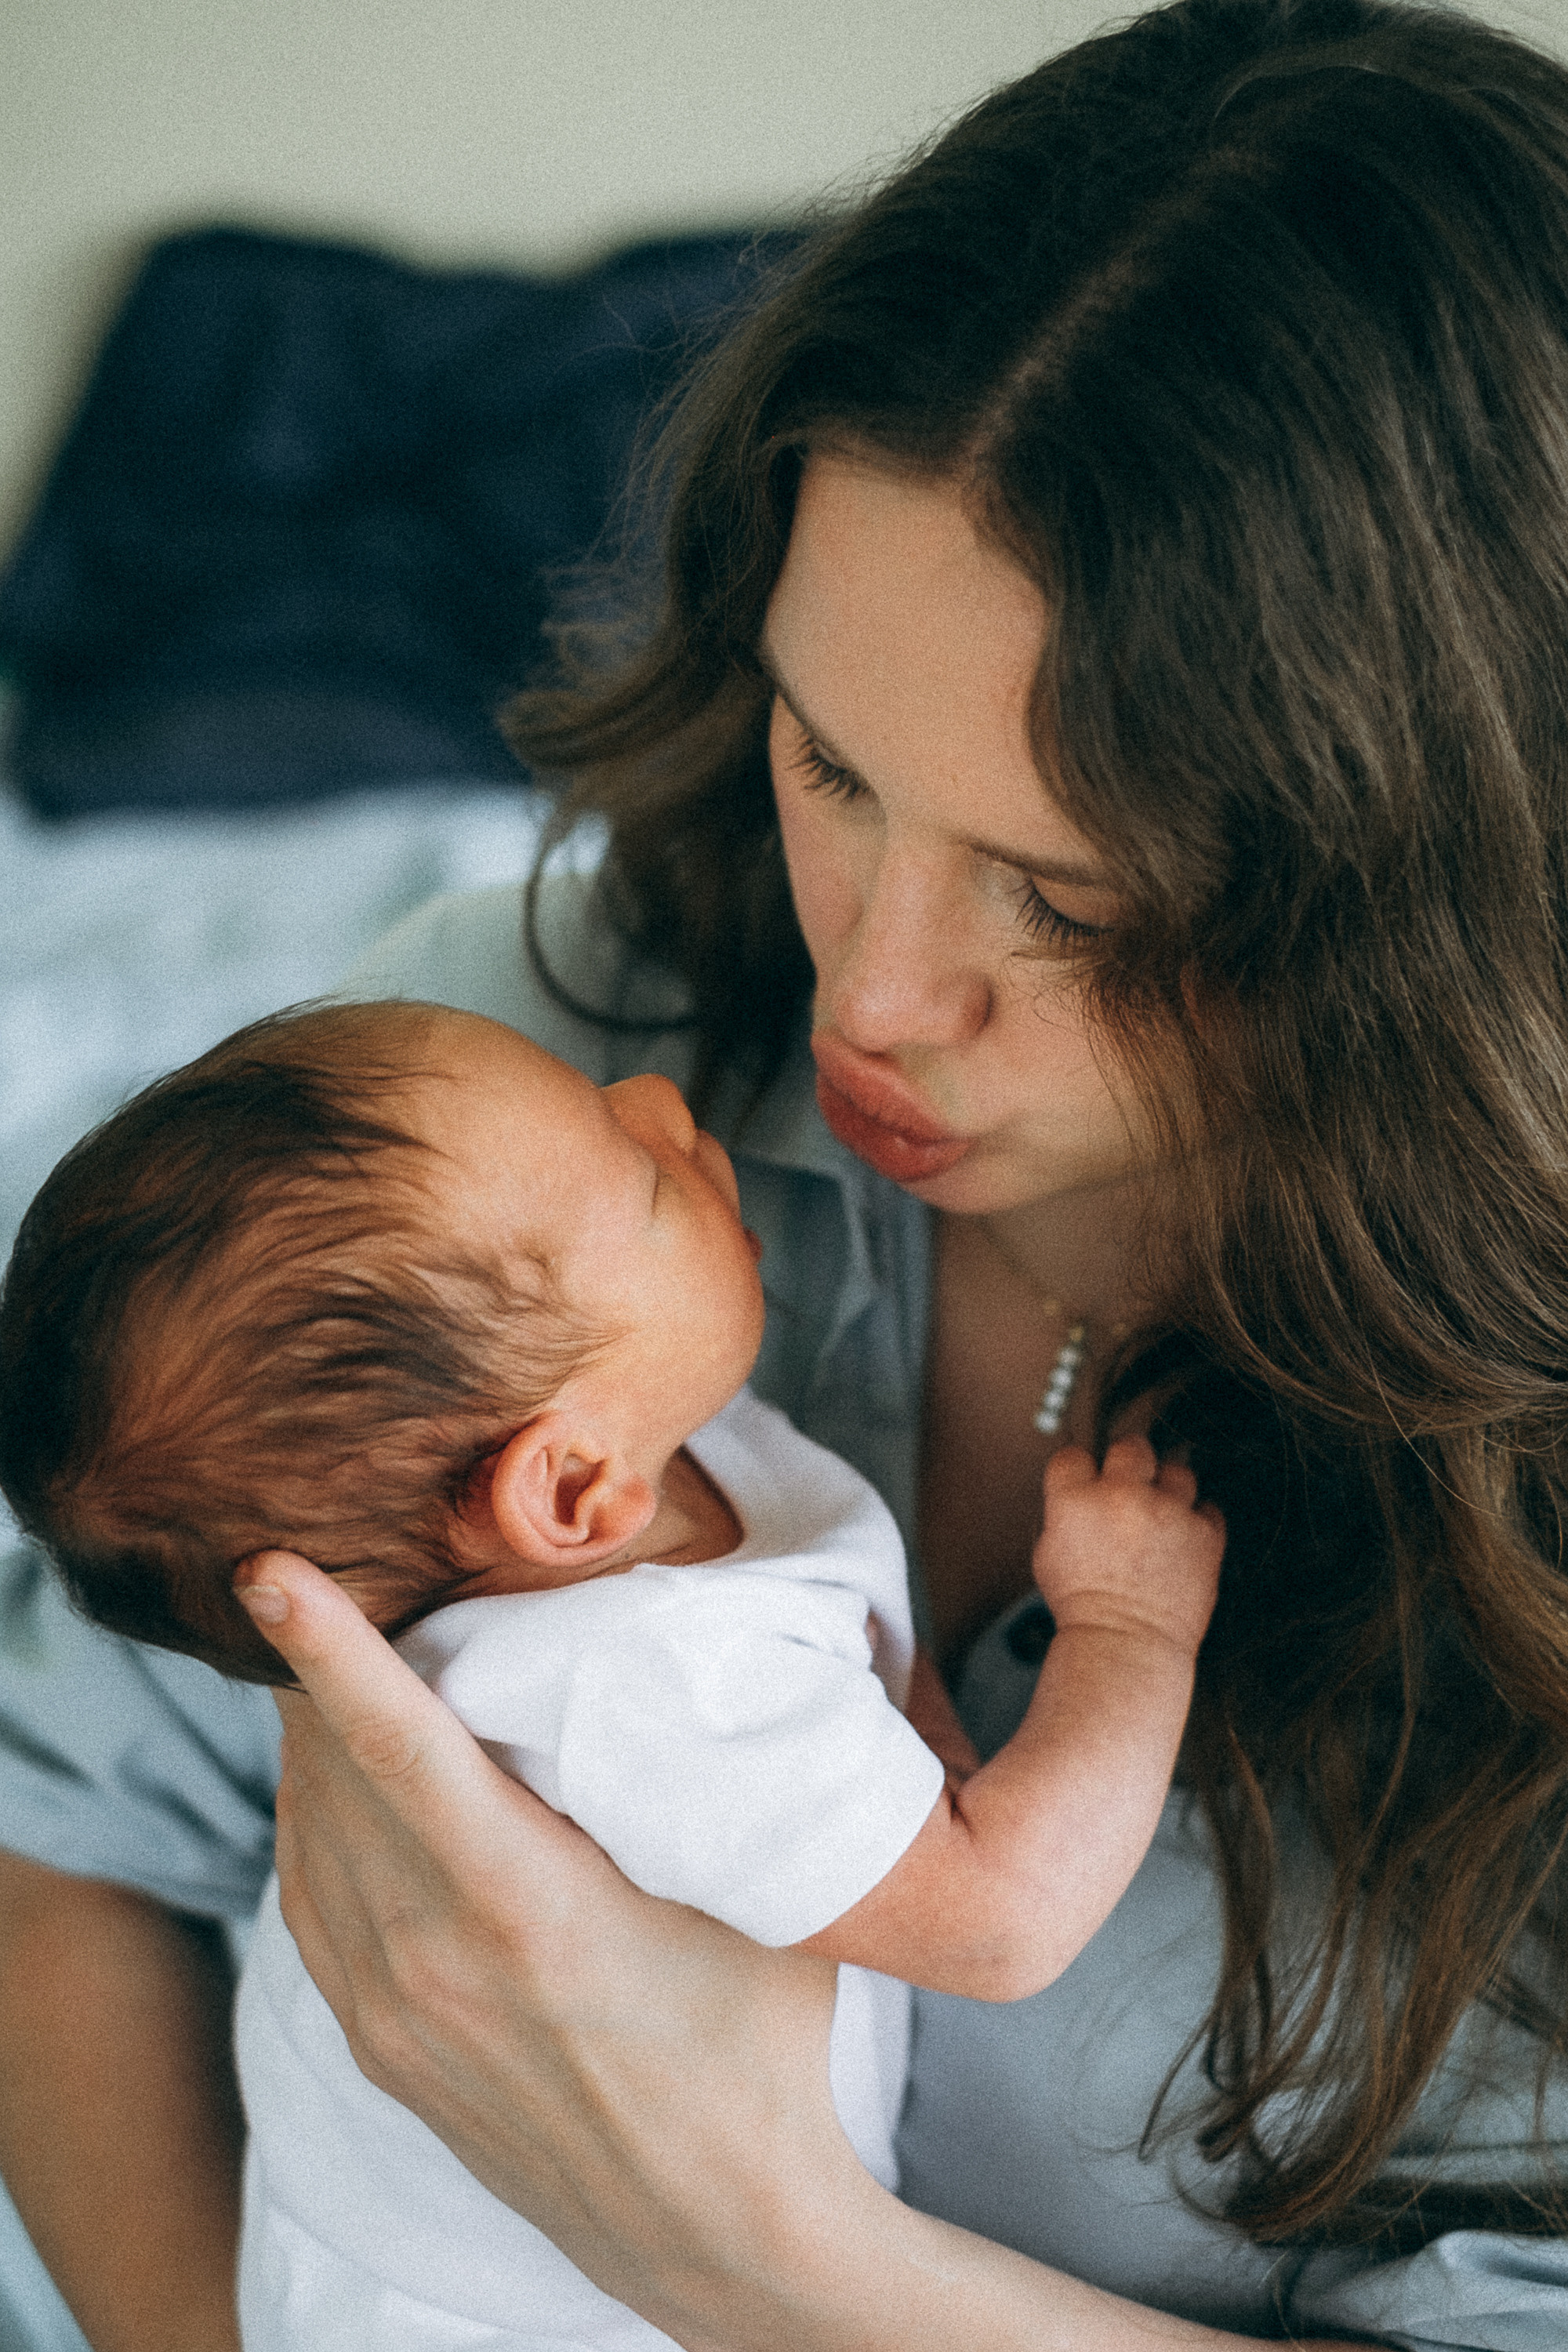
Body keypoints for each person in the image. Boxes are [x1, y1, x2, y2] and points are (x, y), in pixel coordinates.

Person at [4, 0, 1568, 2343]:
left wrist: (750, 2256)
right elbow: (66, 1848)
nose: (870, 1002)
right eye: (834, 764)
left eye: (1078, 898)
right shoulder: (507, 1084)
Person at [0, 997, 1220, 2347]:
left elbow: (876, 1695)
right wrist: (1127, 1630)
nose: (659, 1099)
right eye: (644, 1182)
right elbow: (1000, 1919)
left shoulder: (621, 1441)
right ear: (568, 1488)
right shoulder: (637, 1680)